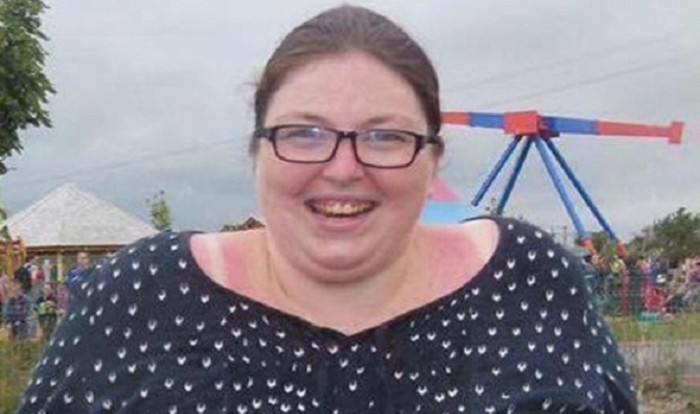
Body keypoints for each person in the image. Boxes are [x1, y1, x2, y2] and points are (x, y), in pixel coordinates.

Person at [18, 6, 638, 413]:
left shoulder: (534, 279)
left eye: (385, 136)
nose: (343, 168)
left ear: (433, 161)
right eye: (304, 133)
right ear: (258, 151)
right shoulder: (140, 296)